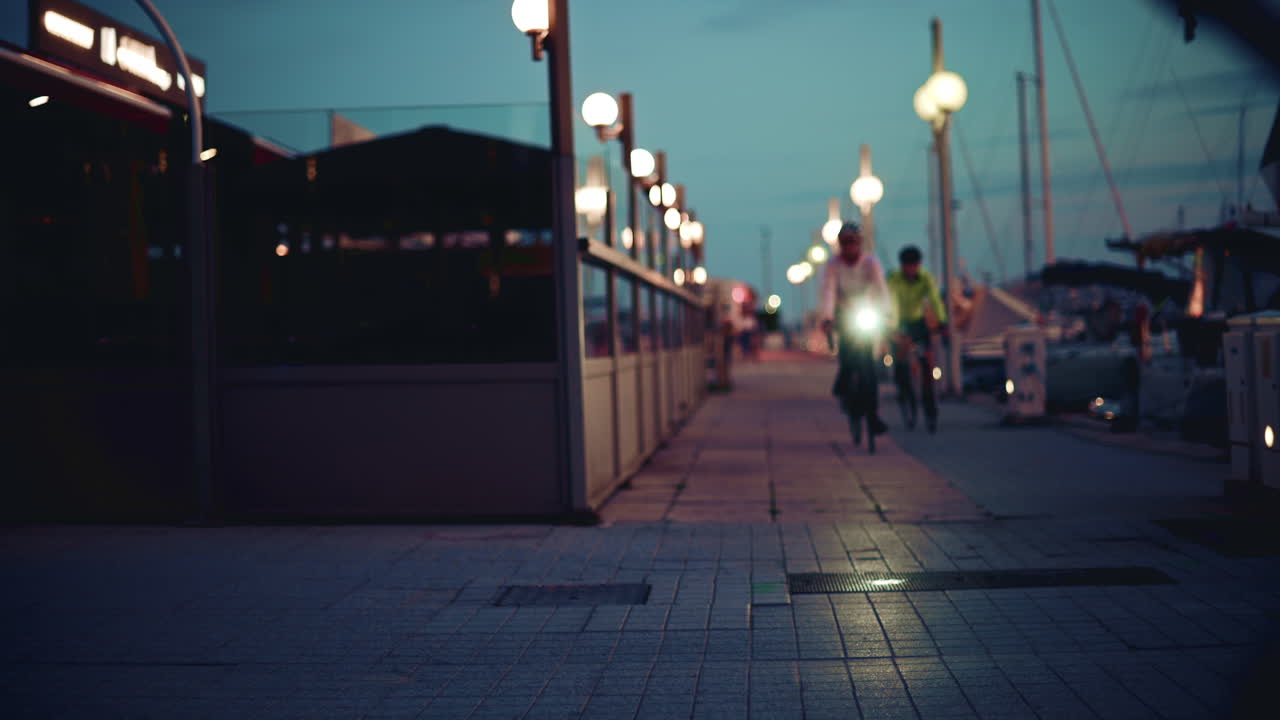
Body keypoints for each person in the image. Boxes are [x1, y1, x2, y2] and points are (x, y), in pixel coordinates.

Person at [820, 222, 892, 443]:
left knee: (869, 368)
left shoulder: (871, 263)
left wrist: (887, 314)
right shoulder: (833, 265)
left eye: (853, 241)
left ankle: (873, 416)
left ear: (860, 243)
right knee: (848, 357)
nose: (849, 246)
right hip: (843, 313)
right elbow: (828, 292)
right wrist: (827, 317)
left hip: (866, 311)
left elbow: (881, 290)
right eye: (845, 242)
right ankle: (843, 388)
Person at [886, 245, 947, 432]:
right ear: (902, 265)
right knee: (901, 364)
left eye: (914, 265)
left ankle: (930, 407)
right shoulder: (894, 279)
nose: (911, 269)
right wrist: (894, 328)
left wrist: (942, 321)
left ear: (919, 265)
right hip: (900, 323)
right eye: (908, 265)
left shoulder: (925, 278)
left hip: (918, 323)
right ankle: (904, 392)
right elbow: (892, 302)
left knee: (927, 365)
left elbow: (935, 299)